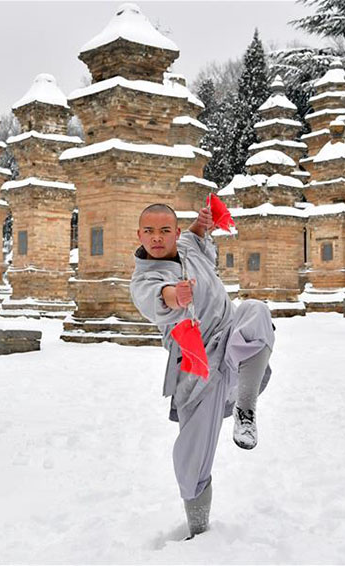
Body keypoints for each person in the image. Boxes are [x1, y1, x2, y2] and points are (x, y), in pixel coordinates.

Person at [130, 202, 275, 539]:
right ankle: (199, 533)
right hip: (196, 368)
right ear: (138, 235)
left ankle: (246, 409)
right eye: (149, 231)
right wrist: (176, 297)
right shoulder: (145, 278)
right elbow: (160, 296)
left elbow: (196, 239)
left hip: (232, 342)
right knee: (192, 458)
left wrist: (200, 223)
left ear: (175, 233)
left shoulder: (187, 246)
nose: (157, 237)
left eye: (165, 230)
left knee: (255, 311)